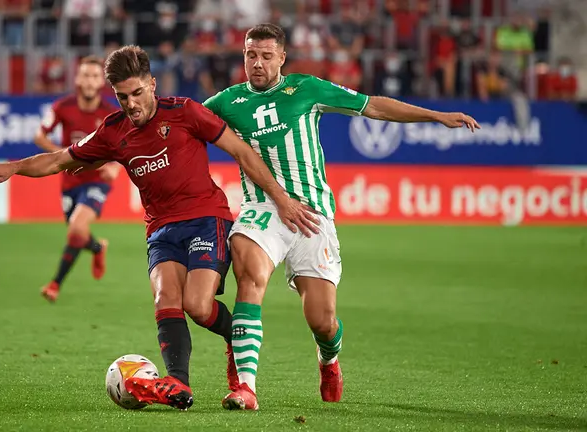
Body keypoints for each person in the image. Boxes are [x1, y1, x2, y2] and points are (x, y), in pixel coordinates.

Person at [0, 45, 317, 410]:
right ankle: (177, 384)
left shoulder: (185, 112)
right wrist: (13, 167)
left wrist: (279, 197)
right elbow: (59, 159)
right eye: (122, 97)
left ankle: (236, 338)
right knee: (165, 298)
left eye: (137, 93)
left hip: (206, 218)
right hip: (161, 230)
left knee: (198, 306)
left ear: (152, 84)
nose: (131, 104)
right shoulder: (113, 131)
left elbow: (242, 151)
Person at [203, 23, 480, 410]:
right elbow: (182, 127)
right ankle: (245, 388)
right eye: (251, 55)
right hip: (262, 207)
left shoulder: (308, 89)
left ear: (282, 57)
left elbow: (373, 105)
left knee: (322, 321)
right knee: (249, 276)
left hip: (312, 215)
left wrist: (434, 115)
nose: (258, 63)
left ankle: (329, 360)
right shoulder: (226, 102)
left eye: (267, 56)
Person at [34, 55, 119, 303]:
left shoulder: (110, 113)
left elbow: (123, 145)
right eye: (86, 75)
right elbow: (39, 136)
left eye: (95, 76)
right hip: (70, 181)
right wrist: (62, 156)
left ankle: (54, 284)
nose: (90, 81)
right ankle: (97, 247)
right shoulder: (62, 107)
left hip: (97, 180)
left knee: (76, 227)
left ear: (101, 81)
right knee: (76, 232)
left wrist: (114, 166)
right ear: (78, 79)